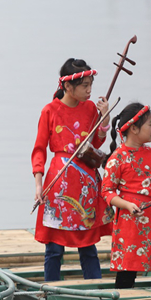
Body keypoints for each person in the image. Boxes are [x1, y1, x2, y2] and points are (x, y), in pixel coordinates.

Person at [32, 58, 113, 282]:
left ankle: (95, 290)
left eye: (91, 85)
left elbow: (95, 143)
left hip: (86, 182)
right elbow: (39, 150)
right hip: (59, 182)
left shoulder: (89, 109)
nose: (89, 91)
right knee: (55, 248)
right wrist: (38, 185)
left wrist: (104, 117)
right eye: (85, 86)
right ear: (68, 86)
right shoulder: (49, 111)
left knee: (88, 246)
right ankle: (50, 291)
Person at [102, 103, 151, 289]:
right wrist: (127, 205)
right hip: (130, 223)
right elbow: (107, 192)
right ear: (134, 128)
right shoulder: (117, 158)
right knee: (126, 275)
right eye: (150, 125)